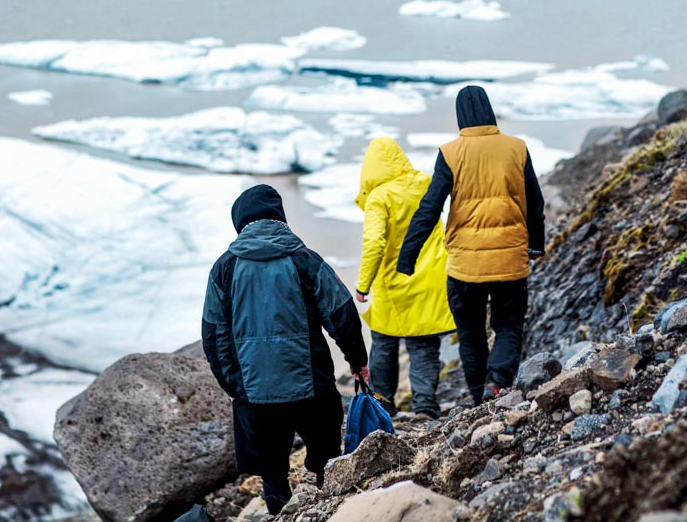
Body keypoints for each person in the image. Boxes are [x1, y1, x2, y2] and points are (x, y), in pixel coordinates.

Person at [201, 184, 368, 516]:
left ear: (240, 221)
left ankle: (283, 513)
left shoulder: (224, 268)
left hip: (254, 394)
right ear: (279, 217)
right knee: (328, 460)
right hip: (312, 388)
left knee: (273, 474)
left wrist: (232, 385)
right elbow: (342, 313)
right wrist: (357, 360)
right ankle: (329, 507)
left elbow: (213, 335)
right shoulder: (304, 258)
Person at [397, 85, 545, 403]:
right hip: (509, 259)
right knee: (508, 326)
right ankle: (497, 383)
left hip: (465, 267)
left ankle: (479, 394)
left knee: (470, 333)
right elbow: (535, 201)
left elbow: (430, 207)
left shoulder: (450, 153)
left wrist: (408, 256)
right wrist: (536, 244)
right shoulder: (517, 148)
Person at [353, 136, 457, 418]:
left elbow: (374, 245)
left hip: (392, 284)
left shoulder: (379, 197)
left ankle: (383, 404)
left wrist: (363, 285)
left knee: (384, 346)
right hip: (430, 280)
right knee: (424, 346)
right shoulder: (424, 182)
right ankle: (425, 406)